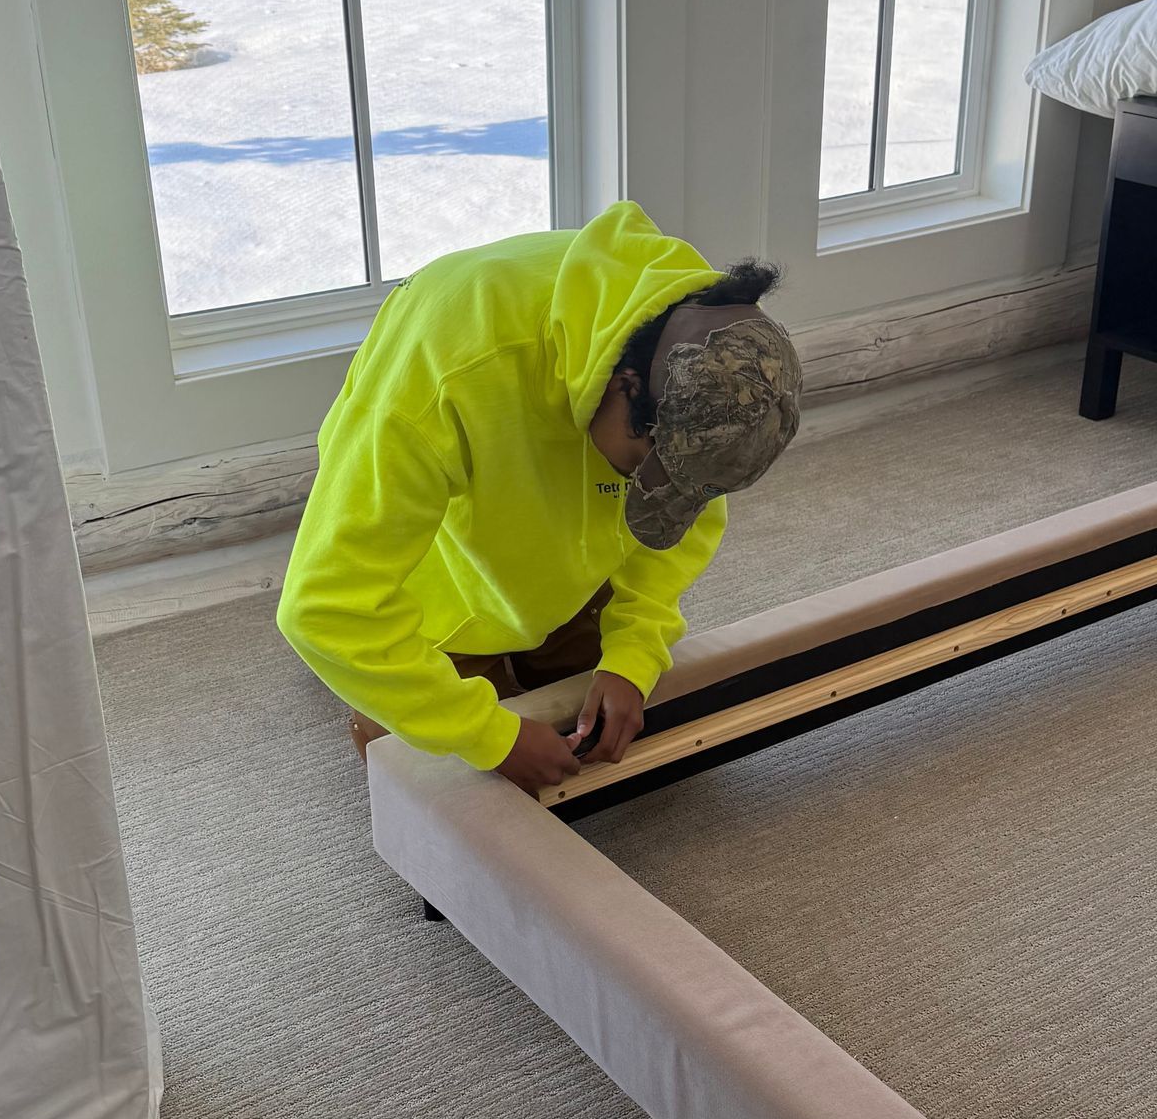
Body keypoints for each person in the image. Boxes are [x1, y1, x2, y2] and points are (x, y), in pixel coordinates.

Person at [278, 199, 803, 796]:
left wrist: (634, 651)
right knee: (439, 777)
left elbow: (682, 522)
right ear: (625, 385)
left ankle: (545, 631)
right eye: (640, 469)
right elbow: (322, 607)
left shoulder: (709, 363)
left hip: (568, 561)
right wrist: (486, 734)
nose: (648, 489)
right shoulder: (444, 373)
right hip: (441, 590)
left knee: (612, 728)